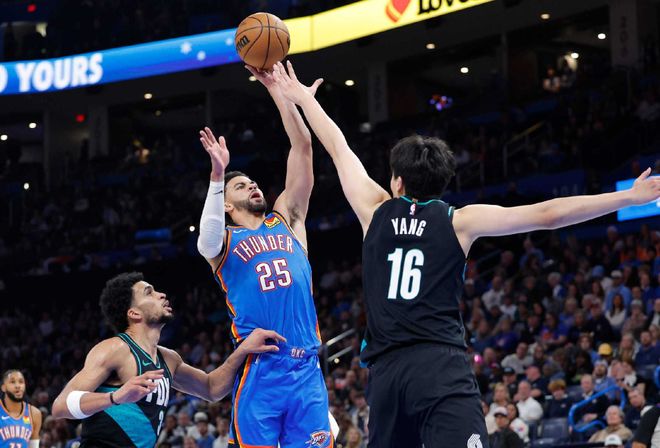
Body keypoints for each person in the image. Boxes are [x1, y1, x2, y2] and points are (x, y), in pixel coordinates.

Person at [270, 59, 660, 448]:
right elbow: (548, 215)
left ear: (397, 181)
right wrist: (627, 197)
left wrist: (303, 98)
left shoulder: (374, 210)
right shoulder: (459, 220)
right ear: (441, 183)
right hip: (440, 366)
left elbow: (338, 147)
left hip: (387, 373)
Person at [195, 64, 334, 448]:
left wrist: (278, 90)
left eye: (252, 182)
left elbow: (302, 147)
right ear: (226, 204)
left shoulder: (287, 218)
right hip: (262, 369)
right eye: (241, 186)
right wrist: (218, 175)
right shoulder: (224, 241)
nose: (252, 186)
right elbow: (206, 241)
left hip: (307, 369)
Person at [51, 272, 284, 448]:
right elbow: (60, 407)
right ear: (134, 313)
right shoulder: (114, 349)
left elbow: (212, 389)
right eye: (149, 292)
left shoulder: (169, 359)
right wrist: (116, 397)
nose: (161, 294)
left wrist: (242, 351)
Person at [0, 370, 42, 448]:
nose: (18, 386)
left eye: (21, 382)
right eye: (12, 382)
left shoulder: (34, 414)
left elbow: (33, 446)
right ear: (3, 387)